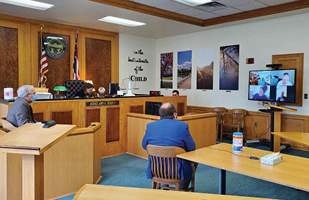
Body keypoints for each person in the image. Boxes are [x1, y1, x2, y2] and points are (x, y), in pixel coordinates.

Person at [142, 102, 196, 189]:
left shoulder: (150, 126)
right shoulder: (182, 126)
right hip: (177, 171)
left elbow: (144, 146)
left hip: (156, 169)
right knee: (193, 163)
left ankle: (164, 186)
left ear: (160, 115)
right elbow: (192, 148)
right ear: (174, 114)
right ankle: (182, 189)